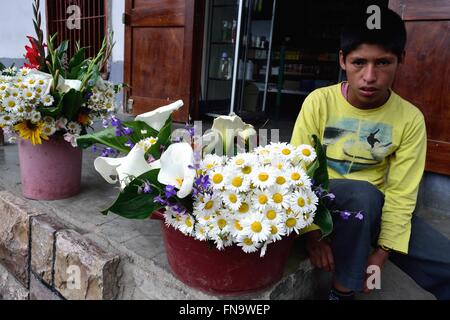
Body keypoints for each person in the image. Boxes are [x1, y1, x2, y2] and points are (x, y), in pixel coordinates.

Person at [290, 6, 450, 300]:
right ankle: (342, 292)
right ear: (343, 60)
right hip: (323, 205)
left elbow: (402, 194)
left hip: (373, 211)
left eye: (383, 63)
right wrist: (312, 235)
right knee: (362, 194)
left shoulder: (410, 119)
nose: (369, 76)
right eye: (359, 62)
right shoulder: (318, 103)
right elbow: (297, 174)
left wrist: (382, 253)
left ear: (400, 61)